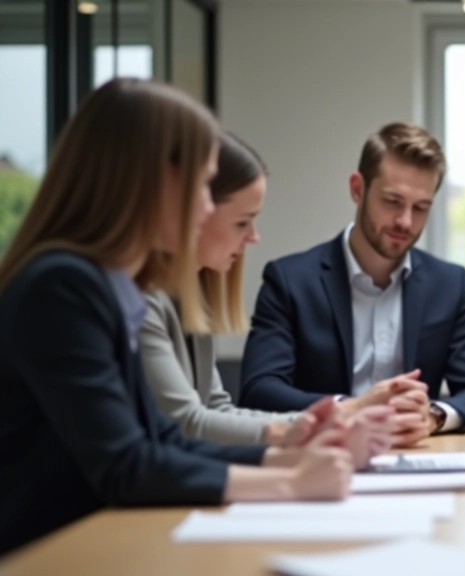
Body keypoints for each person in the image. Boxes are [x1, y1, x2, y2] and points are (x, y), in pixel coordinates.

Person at [0, 79, 355, 555]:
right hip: (46, 554)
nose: (208, 207)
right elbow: (128, 465)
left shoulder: (103, 286)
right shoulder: (62, 286)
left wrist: (287, 455)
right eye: (201, 185)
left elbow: (166, 441)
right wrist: (290, 481)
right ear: (150, 180)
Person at [238, 122, 465, 446]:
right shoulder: (290, 281)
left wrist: (431, 416)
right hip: (320, 455)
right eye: (392, 201)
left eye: (421, 208)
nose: (406, 221)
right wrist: (350, 410)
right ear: (357, 189)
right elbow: (259, 390)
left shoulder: (450, 285)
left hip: (416, 460)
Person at [139, 131, 393, 465]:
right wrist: (313, 427)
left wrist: (317, 423)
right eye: (242, 221)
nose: (254, 237)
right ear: (195, 213)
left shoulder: (191, 295)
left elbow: (217, 410)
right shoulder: (142, 300)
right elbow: (186, 423)